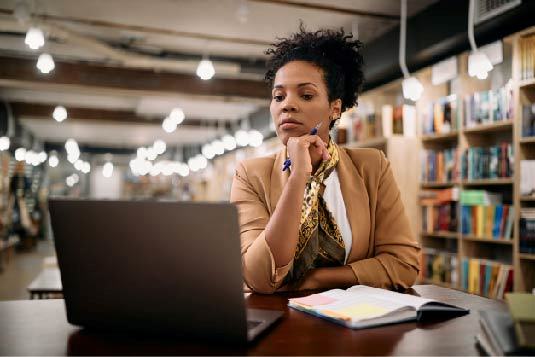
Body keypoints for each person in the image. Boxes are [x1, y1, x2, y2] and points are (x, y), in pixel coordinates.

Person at [230, 26, 420, 294]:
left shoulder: (372, 167)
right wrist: (298, 179)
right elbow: (258, 277)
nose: (287, 105)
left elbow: (404, 264)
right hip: (278, 325)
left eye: (306, 95)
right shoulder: (250, 174)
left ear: (335, 108)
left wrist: (319, 280)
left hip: (356, 325)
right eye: (278, 96)